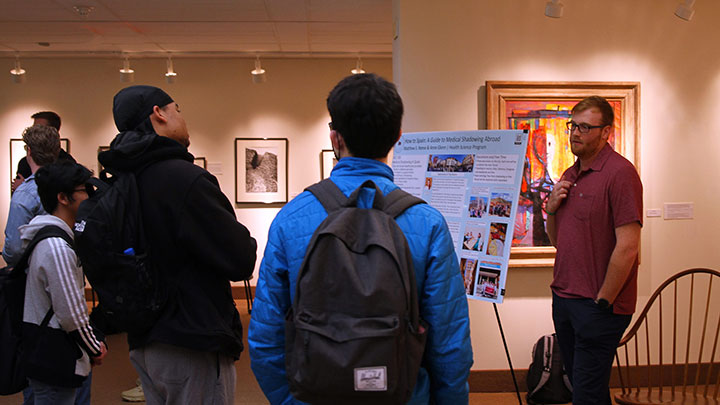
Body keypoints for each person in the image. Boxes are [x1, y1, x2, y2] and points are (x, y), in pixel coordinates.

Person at [248, 73, 473, 404]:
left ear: (334, 138)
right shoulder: (428, 224)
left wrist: (291, 400)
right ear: (397, 136)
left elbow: (265, 339)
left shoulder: (291, 220)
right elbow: (450, 343)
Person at [99, 85, 257, 405]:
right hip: (191, 341)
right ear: (158, 114)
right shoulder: (184, 179)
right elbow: (240, 259)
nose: (181, 117)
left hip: (144, 340)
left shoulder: (121, 181)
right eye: (177, 109)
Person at [545, 96, 643, 405]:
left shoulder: (620, 173)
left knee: (585, 394)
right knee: (586, 387)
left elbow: (628, 246)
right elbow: (558, 241)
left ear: (606, 133)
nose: (575, 133)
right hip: (565, 297)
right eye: (573, 125)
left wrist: (603, 301)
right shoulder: (568, 176)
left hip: (598, 305)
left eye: (585, 127)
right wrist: (550, 210)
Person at [23, 161, 108, 404]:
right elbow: (71, 313)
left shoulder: (53, 238)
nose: (89, 196)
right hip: (54, 354)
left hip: (49, 350)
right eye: (83, 189)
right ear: (63, 197)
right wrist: (95, 347)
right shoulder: (57, 247)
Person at [3, 125, 60, 267]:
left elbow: (15, 250)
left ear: (29, 151)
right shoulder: (72, 186)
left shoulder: (25, 194)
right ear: (57, 150)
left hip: (35, 272)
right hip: (69, 267)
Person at [12, 112, 74, 193]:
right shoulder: (25, 162)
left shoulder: (67, 163)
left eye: (39, 128)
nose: (34, 131)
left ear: (52, 131)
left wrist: (24, 187)